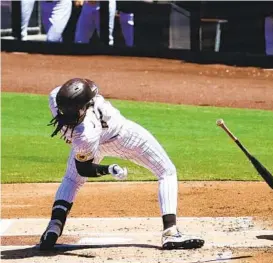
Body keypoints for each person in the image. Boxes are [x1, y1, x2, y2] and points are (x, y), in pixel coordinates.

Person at [39, 78, 205, 251]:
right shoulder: (85, 133)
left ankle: (54, 226)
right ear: (82, 108)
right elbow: (85, 168)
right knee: (166, 171)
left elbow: (81, 168)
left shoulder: (55, 98)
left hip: (101, 139)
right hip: (125, 138)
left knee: (72, 180)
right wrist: (108, 169)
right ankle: (170, 232)